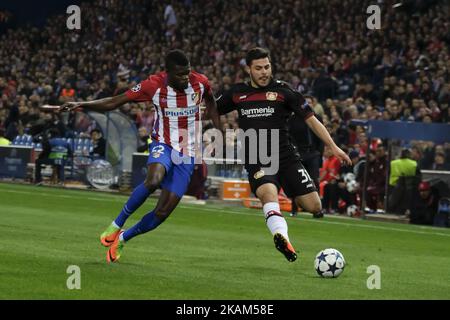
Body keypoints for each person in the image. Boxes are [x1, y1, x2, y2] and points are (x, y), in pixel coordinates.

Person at [58, 50, 220, 263]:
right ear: (168, 72)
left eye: (187, 72)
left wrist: (218, 132)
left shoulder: (200, 82)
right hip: (163, 143)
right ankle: (116, 224)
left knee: (162, 213)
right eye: (180, 74)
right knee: (153, 180)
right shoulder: (153, 85)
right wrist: (82, 105)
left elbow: (212, 103)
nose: (185, 78)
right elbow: (114, 102)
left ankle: (125, 237)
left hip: (187, 153)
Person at [217, 47, 351, 262]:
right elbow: (210, 110)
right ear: (248, 69)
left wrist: (333, 147)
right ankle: (282, 237)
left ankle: (286, 195)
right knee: (268, 194)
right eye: (258, 68)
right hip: (257, 155)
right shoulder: (236, 92)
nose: (264, 72)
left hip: (286, 155)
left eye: (267, 67)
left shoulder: (284, 91)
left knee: (314, 205)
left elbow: (311, 119)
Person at [288, 94, 324, 218]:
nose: (308, 104)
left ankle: (317, 209)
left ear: (313, 104)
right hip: (299, 154)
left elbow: (321, 138)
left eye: (310, 102)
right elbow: (290, 137)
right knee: (296, 181)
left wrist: (319, 154)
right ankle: (294, 208)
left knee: (315, 180)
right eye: (306, 102)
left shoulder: (317, 118)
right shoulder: (293, 119)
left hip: (313, 153)